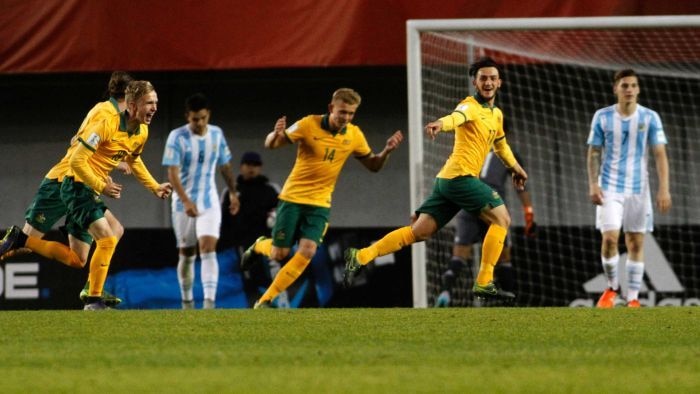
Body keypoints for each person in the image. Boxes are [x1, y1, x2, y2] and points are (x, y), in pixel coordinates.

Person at [343, 57, 527, 301]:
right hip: (461, 178)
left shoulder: (496, 115)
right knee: (502, 219)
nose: (488, 82)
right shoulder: (469, 106)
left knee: (419, 232)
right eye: (483, 78)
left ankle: (361, 256)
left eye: (492, 78)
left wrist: (516, 168)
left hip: (447, 180)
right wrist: (441, 123)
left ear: (499, 82)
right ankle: (484, 281)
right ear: (475, 82)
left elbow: (501, 145)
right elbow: (455, 118)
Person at [2, 80, 173, 310]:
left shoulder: (142, 131)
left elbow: (133, 158)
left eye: (155, 102)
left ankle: (25, 241)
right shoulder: (105, 119)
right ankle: (93, 299)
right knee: (108, 237)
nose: (154, 107)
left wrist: (154, 186)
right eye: (148, 103)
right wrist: (101, 184)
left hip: (88, 187)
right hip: (72, 183)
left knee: (78, 258)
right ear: (131, 104)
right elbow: (77, 157)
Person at [239, 88, 404, 309]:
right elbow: (272, 144)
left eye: (351, 114)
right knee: (279, 254)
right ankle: (260, 245)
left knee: (307, 251)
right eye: (342, 112)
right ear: (331, 108)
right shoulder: (308, 124)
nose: (346, 118)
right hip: (292, 198)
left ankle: (266, 300)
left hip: (320, 204)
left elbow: (373, 165)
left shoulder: (354, 135)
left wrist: (386, 152)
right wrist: (275, 134)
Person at [587, 68, 671, 308]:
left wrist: (664, 188)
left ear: (638, 89)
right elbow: (593, 152)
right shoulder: (602, 116)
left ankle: (633, 298)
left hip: (638, 189)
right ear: (616, 89)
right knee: (610, 238)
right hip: (609, 186)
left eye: (633, 85)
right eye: (625, 85)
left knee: (635, 243)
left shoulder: (650, 117)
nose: (629, 90)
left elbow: (660, 154)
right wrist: (593, 183)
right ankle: (612, 287)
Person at [162, 93, 239, 309]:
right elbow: (173, 174)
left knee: (208, 247)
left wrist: (233, 193)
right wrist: (186, 201)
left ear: (208, 115)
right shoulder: (176, 137)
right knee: (187, 254)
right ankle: (187, 301)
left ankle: (209, 303)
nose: (200, 123)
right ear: (188, 116)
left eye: (203, 118)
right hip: (182, 204)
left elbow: (225, 166)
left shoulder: (217, 134)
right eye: (195, 119)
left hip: (209, 201)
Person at [435, 146, 535, 307]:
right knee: (504, 257)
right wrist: (529, 213)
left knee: (459, 255)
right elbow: (520, 185)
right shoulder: (507, 151)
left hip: (468, 201)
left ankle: (445, 292)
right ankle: (509, 301)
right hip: (492, 202)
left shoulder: (470, 148)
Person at [218, 151, 279, 305]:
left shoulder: (271, 190)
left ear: (260, 168)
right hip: (241, 244)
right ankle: (252, 307)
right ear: (242, 167)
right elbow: (221, 220)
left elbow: (283, 212)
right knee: (248, 278)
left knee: (271, 275)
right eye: (248, 164)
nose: (252, 168)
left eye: (255, 165)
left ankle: (276, 304)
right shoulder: (232, 191)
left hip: (267, 243)